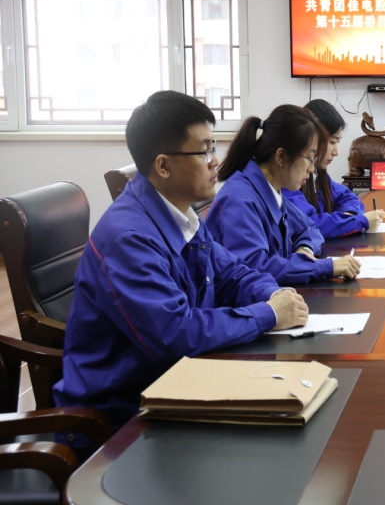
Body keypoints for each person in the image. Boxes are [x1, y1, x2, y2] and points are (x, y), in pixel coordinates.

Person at [53, 91, 309, 426]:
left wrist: (273, 293)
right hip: (119, 418)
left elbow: (231, 272)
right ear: (163, 166)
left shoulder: (181, 215)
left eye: (213, 147)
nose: (215, 162)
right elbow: (174, 334)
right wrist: (268, 314)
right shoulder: (129, 239)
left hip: (177, 385)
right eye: (204, 151)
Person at [207, 104, 361, 285]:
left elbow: (310, 228)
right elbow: (255, 269)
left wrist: (305, 249)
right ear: (280, 156)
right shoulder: (240, 202)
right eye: (309, 158)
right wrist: (324, 267)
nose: (312, 169)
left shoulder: (271, 189)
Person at [284, 98, 385, 239]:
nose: (336, 152)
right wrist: (358, 221)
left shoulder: (318, 175)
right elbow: (310, 225)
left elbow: (348, 197)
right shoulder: (288, 180)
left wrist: (348, 216)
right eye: (332, 142)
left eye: (338, 142)